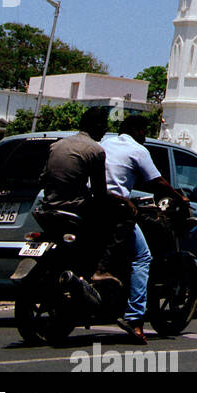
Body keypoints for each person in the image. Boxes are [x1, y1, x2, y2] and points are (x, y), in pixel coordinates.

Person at [102, 114, 179, 343]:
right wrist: (179, 198)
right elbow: (157, 181)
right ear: (136, 130)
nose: (145, 136)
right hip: (115, 209)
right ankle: (134, 318)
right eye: (144, 131)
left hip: (92, 204)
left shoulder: (104, 144)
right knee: (142, 257)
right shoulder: (137, 149)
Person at [40, 107, 119, 291]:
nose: (105, 130)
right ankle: (100, 269)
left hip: (49, 206)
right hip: (75, 208)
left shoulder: (57, 145)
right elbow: (100, 192)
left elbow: (43, 177)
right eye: (104, 125)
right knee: (112, 223)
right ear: (96, 126)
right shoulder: (96, 150)